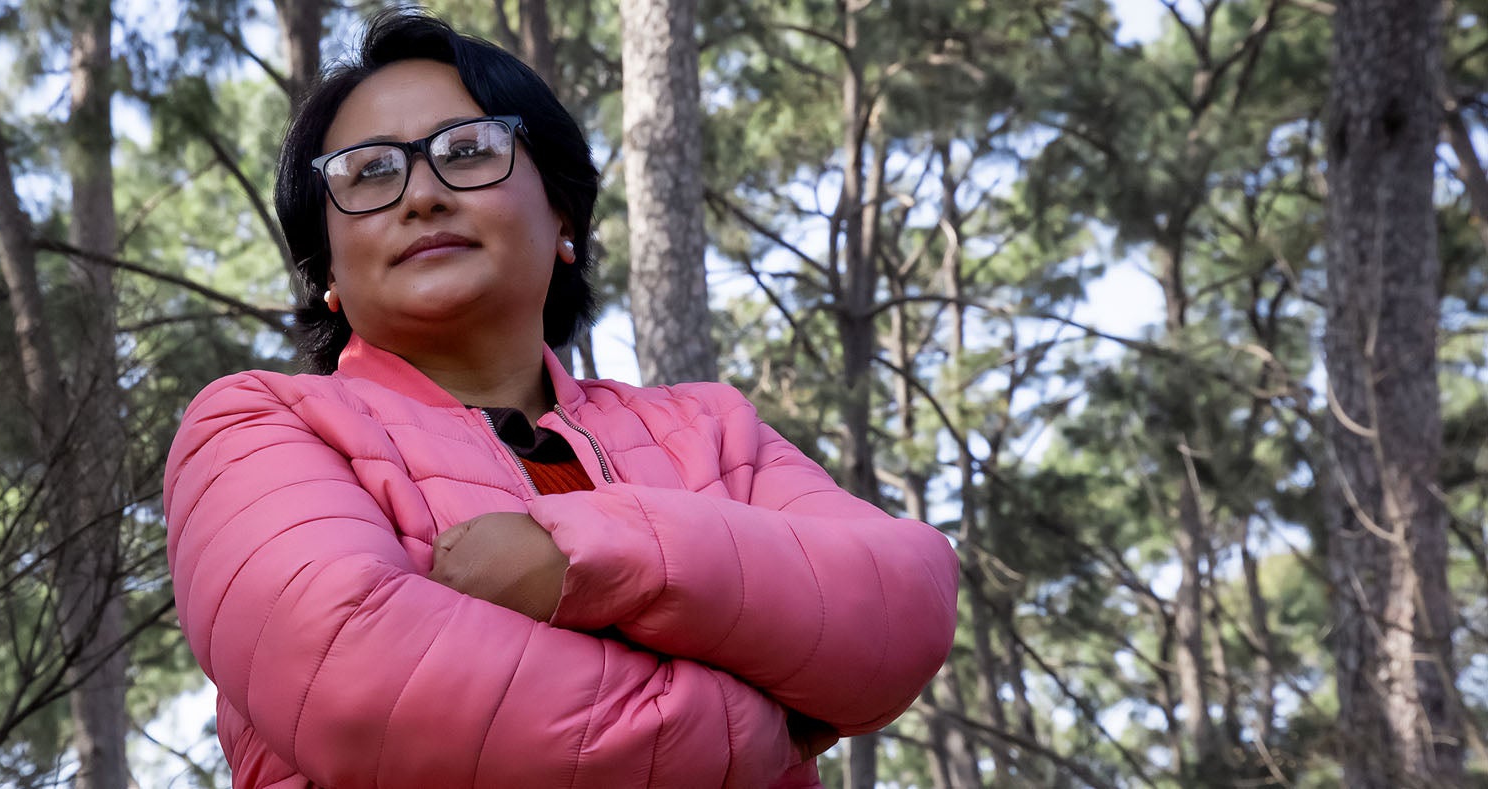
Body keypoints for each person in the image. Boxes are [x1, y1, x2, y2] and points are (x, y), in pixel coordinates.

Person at [163, 10, 959, 789]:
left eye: (467, 151)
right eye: (369, 172)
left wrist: (582, 559)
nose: (421, 195)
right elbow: (357, 680)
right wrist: (759, 727)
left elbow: (900, 602)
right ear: (327, 268)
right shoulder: (257, 428)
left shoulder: (711, 430)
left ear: (563, 215)